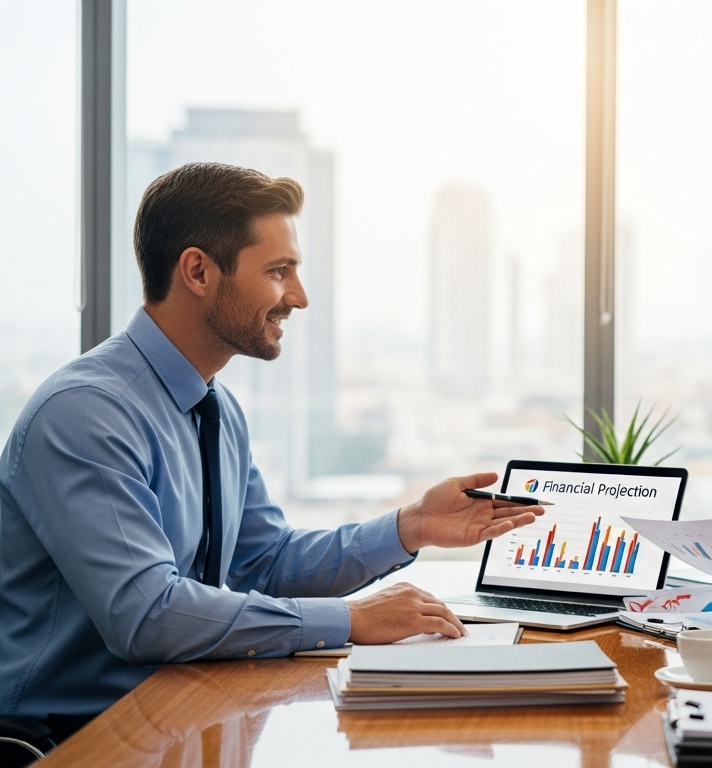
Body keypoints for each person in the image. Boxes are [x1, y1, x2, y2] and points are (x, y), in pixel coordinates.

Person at [0, 163, 543, 737]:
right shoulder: (87, 413)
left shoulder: (217, 410)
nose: (299, 298)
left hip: (173, 717)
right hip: (64, 738)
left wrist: (411, 526)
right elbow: (148, 615)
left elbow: (264, 563)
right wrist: (351, 619)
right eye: (279, 272)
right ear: (198, 271)